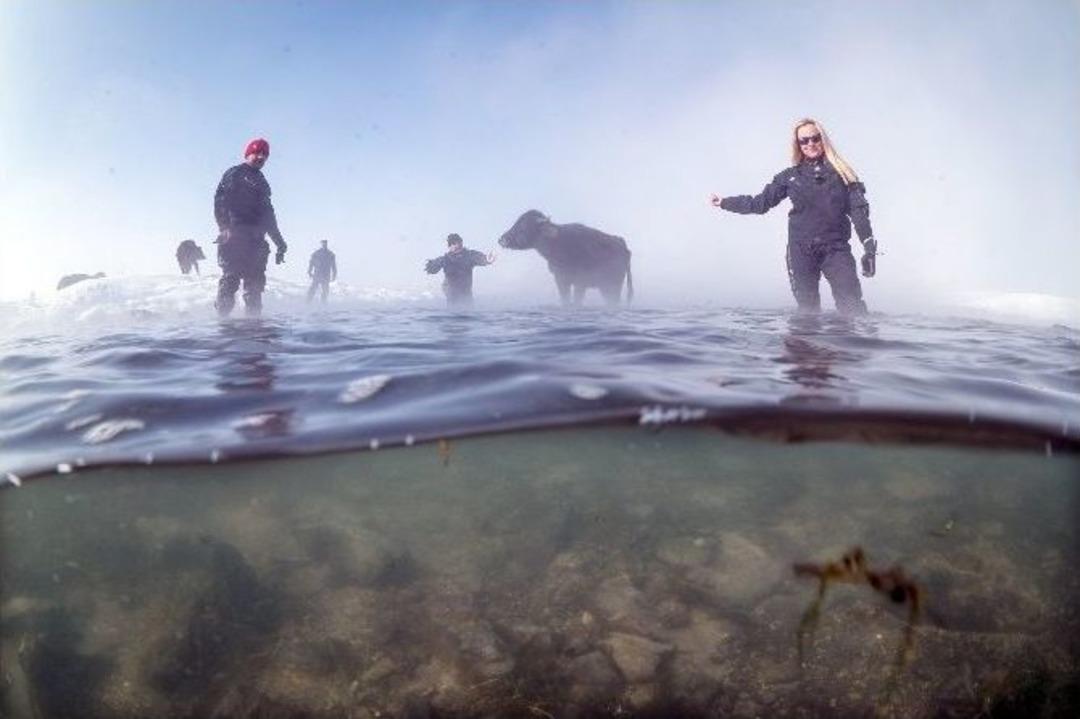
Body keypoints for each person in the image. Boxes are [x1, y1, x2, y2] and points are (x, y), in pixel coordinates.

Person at [710, 118, 877, 315]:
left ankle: (854, 346)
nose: (810, 144)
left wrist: (868, 247)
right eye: (804, 141)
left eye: (815, 138)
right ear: (798, 145)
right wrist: (724, 202)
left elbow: (858, 212)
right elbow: (760, 204)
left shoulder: (844, 174)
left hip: (836, 250)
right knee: (808, 313)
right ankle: (806, 345)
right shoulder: (789, 177)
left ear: (823, 140)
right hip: (801, 251)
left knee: (853, 310)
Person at [213, 137, 288, 317]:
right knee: (230, 280)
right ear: (248, 154)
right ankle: (222, 327)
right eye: (257, 153)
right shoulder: (235, 174)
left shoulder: (262, 182)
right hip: (235, 237)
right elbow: (220, 201)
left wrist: (280, 243)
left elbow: (268, 216)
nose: (261, 157)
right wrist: (224, 227)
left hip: (256, 242)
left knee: (254, 288)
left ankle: (254, 330)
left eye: (264, 155)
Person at [424, 233, 496, 307]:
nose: (457, 245)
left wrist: (487, 259)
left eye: (459, 243)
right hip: (452, 297)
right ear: (449, 246)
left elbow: (479, 258)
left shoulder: (469, 256)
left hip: (466, 297)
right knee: (453, 307)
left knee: (466, 309)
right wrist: (430, 266)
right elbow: (433, 267)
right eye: (454, 244)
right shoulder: (445, 259)